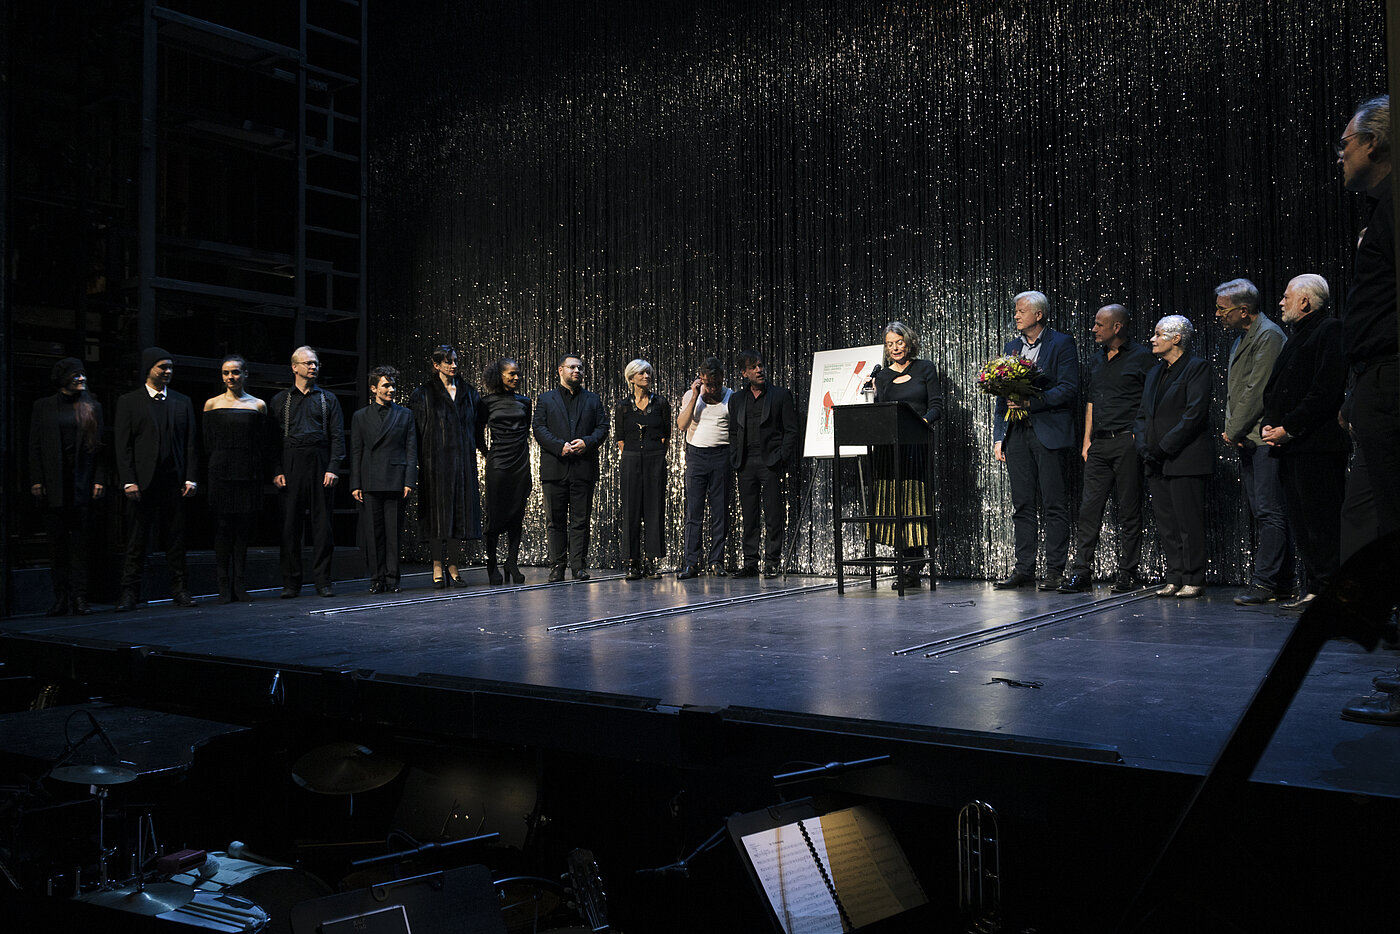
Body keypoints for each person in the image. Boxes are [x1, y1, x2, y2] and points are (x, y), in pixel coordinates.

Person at [1330, 95, 1400, 727]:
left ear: (1374, 143)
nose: (1342, 154)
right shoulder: (1381, 211)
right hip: (1378, 380)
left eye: (1347, 142)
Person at [1259, 275, 1348, 612]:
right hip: (1292, 446)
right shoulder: (1297, 336)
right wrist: (1270, 424)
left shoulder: (1330, 330)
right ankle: (1315, 587)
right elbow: (1277, 388)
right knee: (1302, 521)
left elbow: (1325, 389)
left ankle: (1329, 590)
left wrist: (1290, 427)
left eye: (1286, 296)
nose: (1281, 302)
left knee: (1322, 522)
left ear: (1305, 301)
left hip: (1318, 445)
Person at [1059, 306, 1155, 594]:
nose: (1094, 329)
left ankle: (1127, 573)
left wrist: (1139, 436)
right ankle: (1081, 572)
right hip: (1099, 443)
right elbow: (1092, 401)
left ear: (1117, 327)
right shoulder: (1096, 359)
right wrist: (1086, 440)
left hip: (1127, 440)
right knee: (1089, 509)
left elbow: (1151, 400)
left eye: (1100, 324)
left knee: (1128, 509)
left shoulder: (1142, 357)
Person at [992, 291, 1079, 591]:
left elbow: (1068, 388)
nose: (1016, 315)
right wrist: (999, 437)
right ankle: (1024, 569)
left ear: (1038, 315)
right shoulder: (1012, 347)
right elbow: (1001, 395)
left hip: (1048, 432)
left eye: (1021, 311)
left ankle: (1054, 570)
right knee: (1022, 505)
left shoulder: (1062, 343)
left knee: (1054, 504)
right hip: (1016, 434)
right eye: (1015, 311)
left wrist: (1032, 403)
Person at [1215, 278, 1292, 606]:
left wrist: (1233, 429)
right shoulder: (1241, 338)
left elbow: (1257, 391)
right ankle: (1282, 583)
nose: (1218, 314)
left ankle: (1265, 583)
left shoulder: (1268, 336)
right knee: (1263, 510)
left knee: (1269, 510)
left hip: (1263, 437)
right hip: (1248, 437)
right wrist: (1233, 429)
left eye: (1222, 309)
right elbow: (1235, 391)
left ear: (1244, 310)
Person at [114, 347, 199, 611]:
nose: (167, 371)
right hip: (143, 482)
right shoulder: (130, 401)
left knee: (176, 540)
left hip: (173, 482)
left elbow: (191, 444)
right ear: (149, 368)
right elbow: (123, 445)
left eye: (170, 367)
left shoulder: (182, 401)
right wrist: (128, 480)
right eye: (162, 366)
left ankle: (180, 590)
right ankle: (129, 593)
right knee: (137, 541)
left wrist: (191, 477)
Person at [1136, 316, 1213, 599]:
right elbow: (1143, 414)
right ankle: (1175, 576)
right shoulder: (1155, 372)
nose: (1152, 339)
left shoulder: (1197, 368)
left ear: (1176, 338)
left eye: (1158, 334)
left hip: (1185, 459)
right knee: (1167, 524)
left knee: (1187, 523)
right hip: (1155, 460)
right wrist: (1144, 446)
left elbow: (1193, 415)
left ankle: (1193, 578)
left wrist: (1162, 447)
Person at [28, 358, 105, 615]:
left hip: (82, 481)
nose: (82, 379)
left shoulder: (92, 406)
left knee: (80, 545)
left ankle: (80, 597)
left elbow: (100, 448)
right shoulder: (43, 406)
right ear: (63, 378)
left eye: (83, 374)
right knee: (57, 544)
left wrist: (99, 479)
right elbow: (34, 445)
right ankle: (60, 597)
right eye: (76, 375)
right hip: (54, 482)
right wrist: (37, 479)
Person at [870, 323, 944, 589]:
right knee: (895, 505)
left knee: (914, 503)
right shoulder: (881, 376)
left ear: (909, 342)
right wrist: (872, 393)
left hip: (915, 446)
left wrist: (921, 423)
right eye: (890, 344)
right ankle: (903, 563)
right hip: (889, 449)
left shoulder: (925, 368)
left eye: (899, 342)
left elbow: (936, 406)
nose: (895, 348)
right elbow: (880, 412)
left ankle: (914, 566)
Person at [270, 346, 345, 599]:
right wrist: (277, 469)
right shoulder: (280, 400)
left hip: (319, 461)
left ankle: (323, 581)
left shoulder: (327, 399)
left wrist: (333, 467)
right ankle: (291, 583)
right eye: (308, 363)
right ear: (294, 367)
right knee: (290, 527)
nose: (313, 367)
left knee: (323, 527)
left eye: (315, 363)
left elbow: (337, 436)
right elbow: (272, 440)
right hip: (291, 462)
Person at [410, 345, 482, 588]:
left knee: (458, 515)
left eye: (455, 361)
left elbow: (476, 428)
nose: (453, 366)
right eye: (448, 361)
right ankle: (437, 565)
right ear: (436, 365)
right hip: (434, 464)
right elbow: (416, 432)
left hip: (462, 463)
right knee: (436, 516)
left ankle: (453, 564)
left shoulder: (469, 393)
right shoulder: (422, 394)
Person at [533, 354, 609, 582]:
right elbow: (539, 428)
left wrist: (587, 442)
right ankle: (557, 566)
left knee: (580, 520)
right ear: (560, 370)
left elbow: (603, 427)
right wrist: (560, 446)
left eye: (580, 368)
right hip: (554, 468)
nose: (577, 371)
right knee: (555, 521)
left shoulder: (593, 399)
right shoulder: (546, 399)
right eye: (572, 367)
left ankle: (578, 566)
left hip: (583, 468)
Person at [727, 350, 801, 579]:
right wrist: (735, 456)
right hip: (745, 463)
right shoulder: (737, 399)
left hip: (770, 462)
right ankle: (750, 562)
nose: (759, 370)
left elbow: (791, 430)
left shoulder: (780, 395)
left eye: (760, 365)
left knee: (773, 514)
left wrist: (781, 457)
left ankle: (772, 562)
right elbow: (733, 432)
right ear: (744, 373)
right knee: (749, 516)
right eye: (753, 367)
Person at [202, 355, 270, 603]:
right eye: (226, 373)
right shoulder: (212, 404)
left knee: (243, 530)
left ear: (245, 374)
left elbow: (263, 443)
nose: (230, 377)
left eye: (235, 372)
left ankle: (239, 584)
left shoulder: (258, 405)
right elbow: (207, 442)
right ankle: (223, 585)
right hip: (221, 473)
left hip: (247, 473)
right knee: (222, 529)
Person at [350, 366, 417, 594]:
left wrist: (409, 481)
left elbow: (411, 450)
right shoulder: (360, 416)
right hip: (370, 480)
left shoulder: (405, 414)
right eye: (386, 385)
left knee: (393, 534)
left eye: (393, 385)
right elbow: (356, 452)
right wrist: (355, 484)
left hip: (396, 479)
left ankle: (392, 578)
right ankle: (377, 578)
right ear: (373, 388)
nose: (391, 389)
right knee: (373, 532)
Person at [676, 357, 733, 579]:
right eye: (709, 384)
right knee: (694, 512)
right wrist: (694, 396)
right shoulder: (692, 396)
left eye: (717, 384)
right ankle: (691, 563)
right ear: (701, 379)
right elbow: (682, 425)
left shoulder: (730, 396)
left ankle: (716, 561)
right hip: (696, 456)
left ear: (723, 379)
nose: (713, 389)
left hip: (721, 455)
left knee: (720, 512)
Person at [477, 357, 532, 585]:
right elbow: (477, 434)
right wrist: (489, 454)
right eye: (511, 374)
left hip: (520, 463)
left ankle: (511, 562)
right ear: (499, 376)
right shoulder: (486, 403)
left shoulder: (525, 401)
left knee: (517, 514)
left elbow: (526, 430)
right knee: (495, 515)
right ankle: (492, 565)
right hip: (498, 463)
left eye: (518, 373)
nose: (516, 377)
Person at [616, 359, 671, 581]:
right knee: (631, 509)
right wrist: (634, 455)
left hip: (654, 459)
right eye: (641, 373)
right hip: (630, 459)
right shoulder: (622, 406)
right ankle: (632, 561)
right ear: (631, 378)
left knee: (654, 508)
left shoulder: (661, 403)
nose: (646, 376)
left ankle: (651, 560)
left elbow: (666, 435)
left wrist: (654, 455)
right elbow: (620, 438)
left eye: (648, 373)